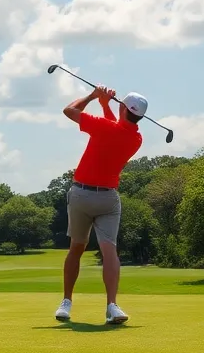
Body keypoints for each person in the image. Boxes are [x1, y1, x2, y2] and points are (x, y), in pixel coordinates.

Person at [54, 84, 147, 326]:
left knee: (76, 248)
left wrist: (93, 96)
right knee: (109, 251)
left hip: (82, 195)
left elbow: (69, 110)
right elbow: (115, 128)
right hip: (108, 199)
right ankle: (112, 306)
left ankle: (66, 302)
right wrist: (106, 105)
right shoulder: (136, 138)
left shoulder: (104, 127)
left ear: (123, 109)